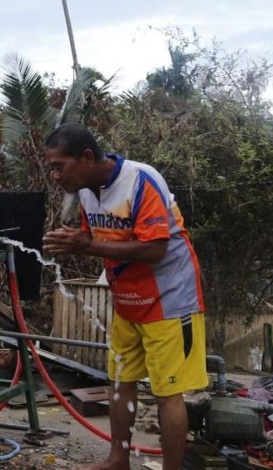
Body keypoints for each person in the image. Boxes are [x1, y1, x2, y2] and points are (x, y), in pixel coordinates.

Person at [41, 123, 206, 470]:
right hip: (127, 300)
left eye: (59, 166)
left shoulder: (141, 180)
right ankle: (118, 459)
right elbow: (97, 240)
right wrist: (73, 242)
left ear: (86, 157)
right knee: (119, 381)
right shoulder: (86, 191)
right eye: (51, 167)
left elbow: (157, 248)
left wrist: (85, 244)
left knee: (167, 392)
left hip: (169, 299)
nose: (54, 176)